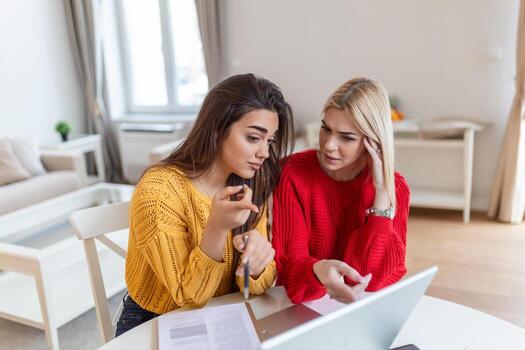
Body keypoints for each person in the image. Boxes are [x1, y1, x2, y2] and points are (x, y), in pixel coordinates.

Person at [115, 73, 294, 336]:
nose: (265, 153)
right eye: (254, 138)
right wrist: (217, 229)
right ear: (217, 129)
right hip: (154, 321)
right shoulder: (160, 191)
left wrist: (256, 266)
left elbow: (261, 282)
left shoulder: (252, 182)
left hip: (224, 315)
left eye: (270, 141)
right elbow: (189, 299)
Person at [272, 77, 410, 304]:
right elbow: (289, 272)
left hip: (360, 309)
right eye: (326, 129)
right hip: (305, 306)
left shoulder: (394, 188)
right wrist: (319, 272)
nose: (328, 145)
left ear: (373, 142)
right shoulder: (292, 173)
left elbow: (374, 280)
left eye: (346, 137)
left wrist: (382, 197)